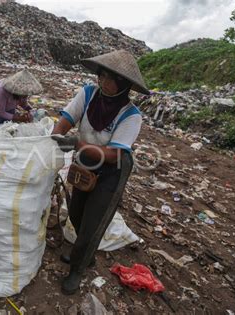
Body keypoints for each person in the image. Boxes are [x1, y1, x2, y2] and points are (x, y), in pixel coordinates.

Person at [51, 50, 150, 295]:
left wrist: (76, 144)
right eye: (102, 76)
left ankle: (77, 268)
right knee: (76, 212)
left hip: (112, 170)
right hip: (85, 161)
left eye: (110, 79)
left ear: (124, 84)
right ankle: (86, 254)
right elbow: (66, 118)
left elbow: (113, 154)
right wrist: (54, 136)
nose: (103, 82)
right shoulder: (87, 94)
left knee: (94, 221)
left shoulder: (131, 115)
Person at [0, 69, 43, 151]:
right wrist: (17, 118)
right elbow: (0, 112)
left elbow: (23, 103)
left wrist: (30, 111)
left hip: (9, 106)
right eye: (23, 96)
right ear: (16, 93)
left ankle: (2, 150)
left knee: (6, 128)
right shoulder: (2, 90)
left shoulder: (22, 92)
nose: (25, 97)